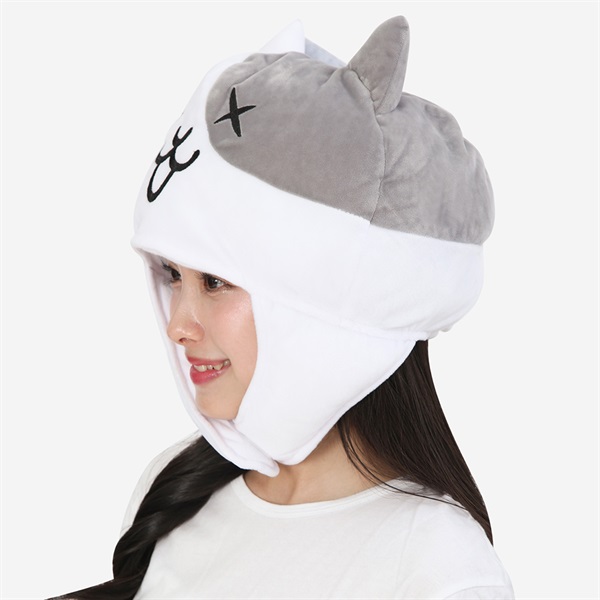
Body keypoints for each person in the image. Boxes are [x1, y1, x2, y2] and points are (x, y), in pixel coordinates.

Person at [52, 15, 514, 600]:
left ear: (325, 306)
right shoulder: (175, 486)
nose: (177, 326)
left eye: (215, 281)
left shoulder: (436, 565)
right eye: (172, 276)